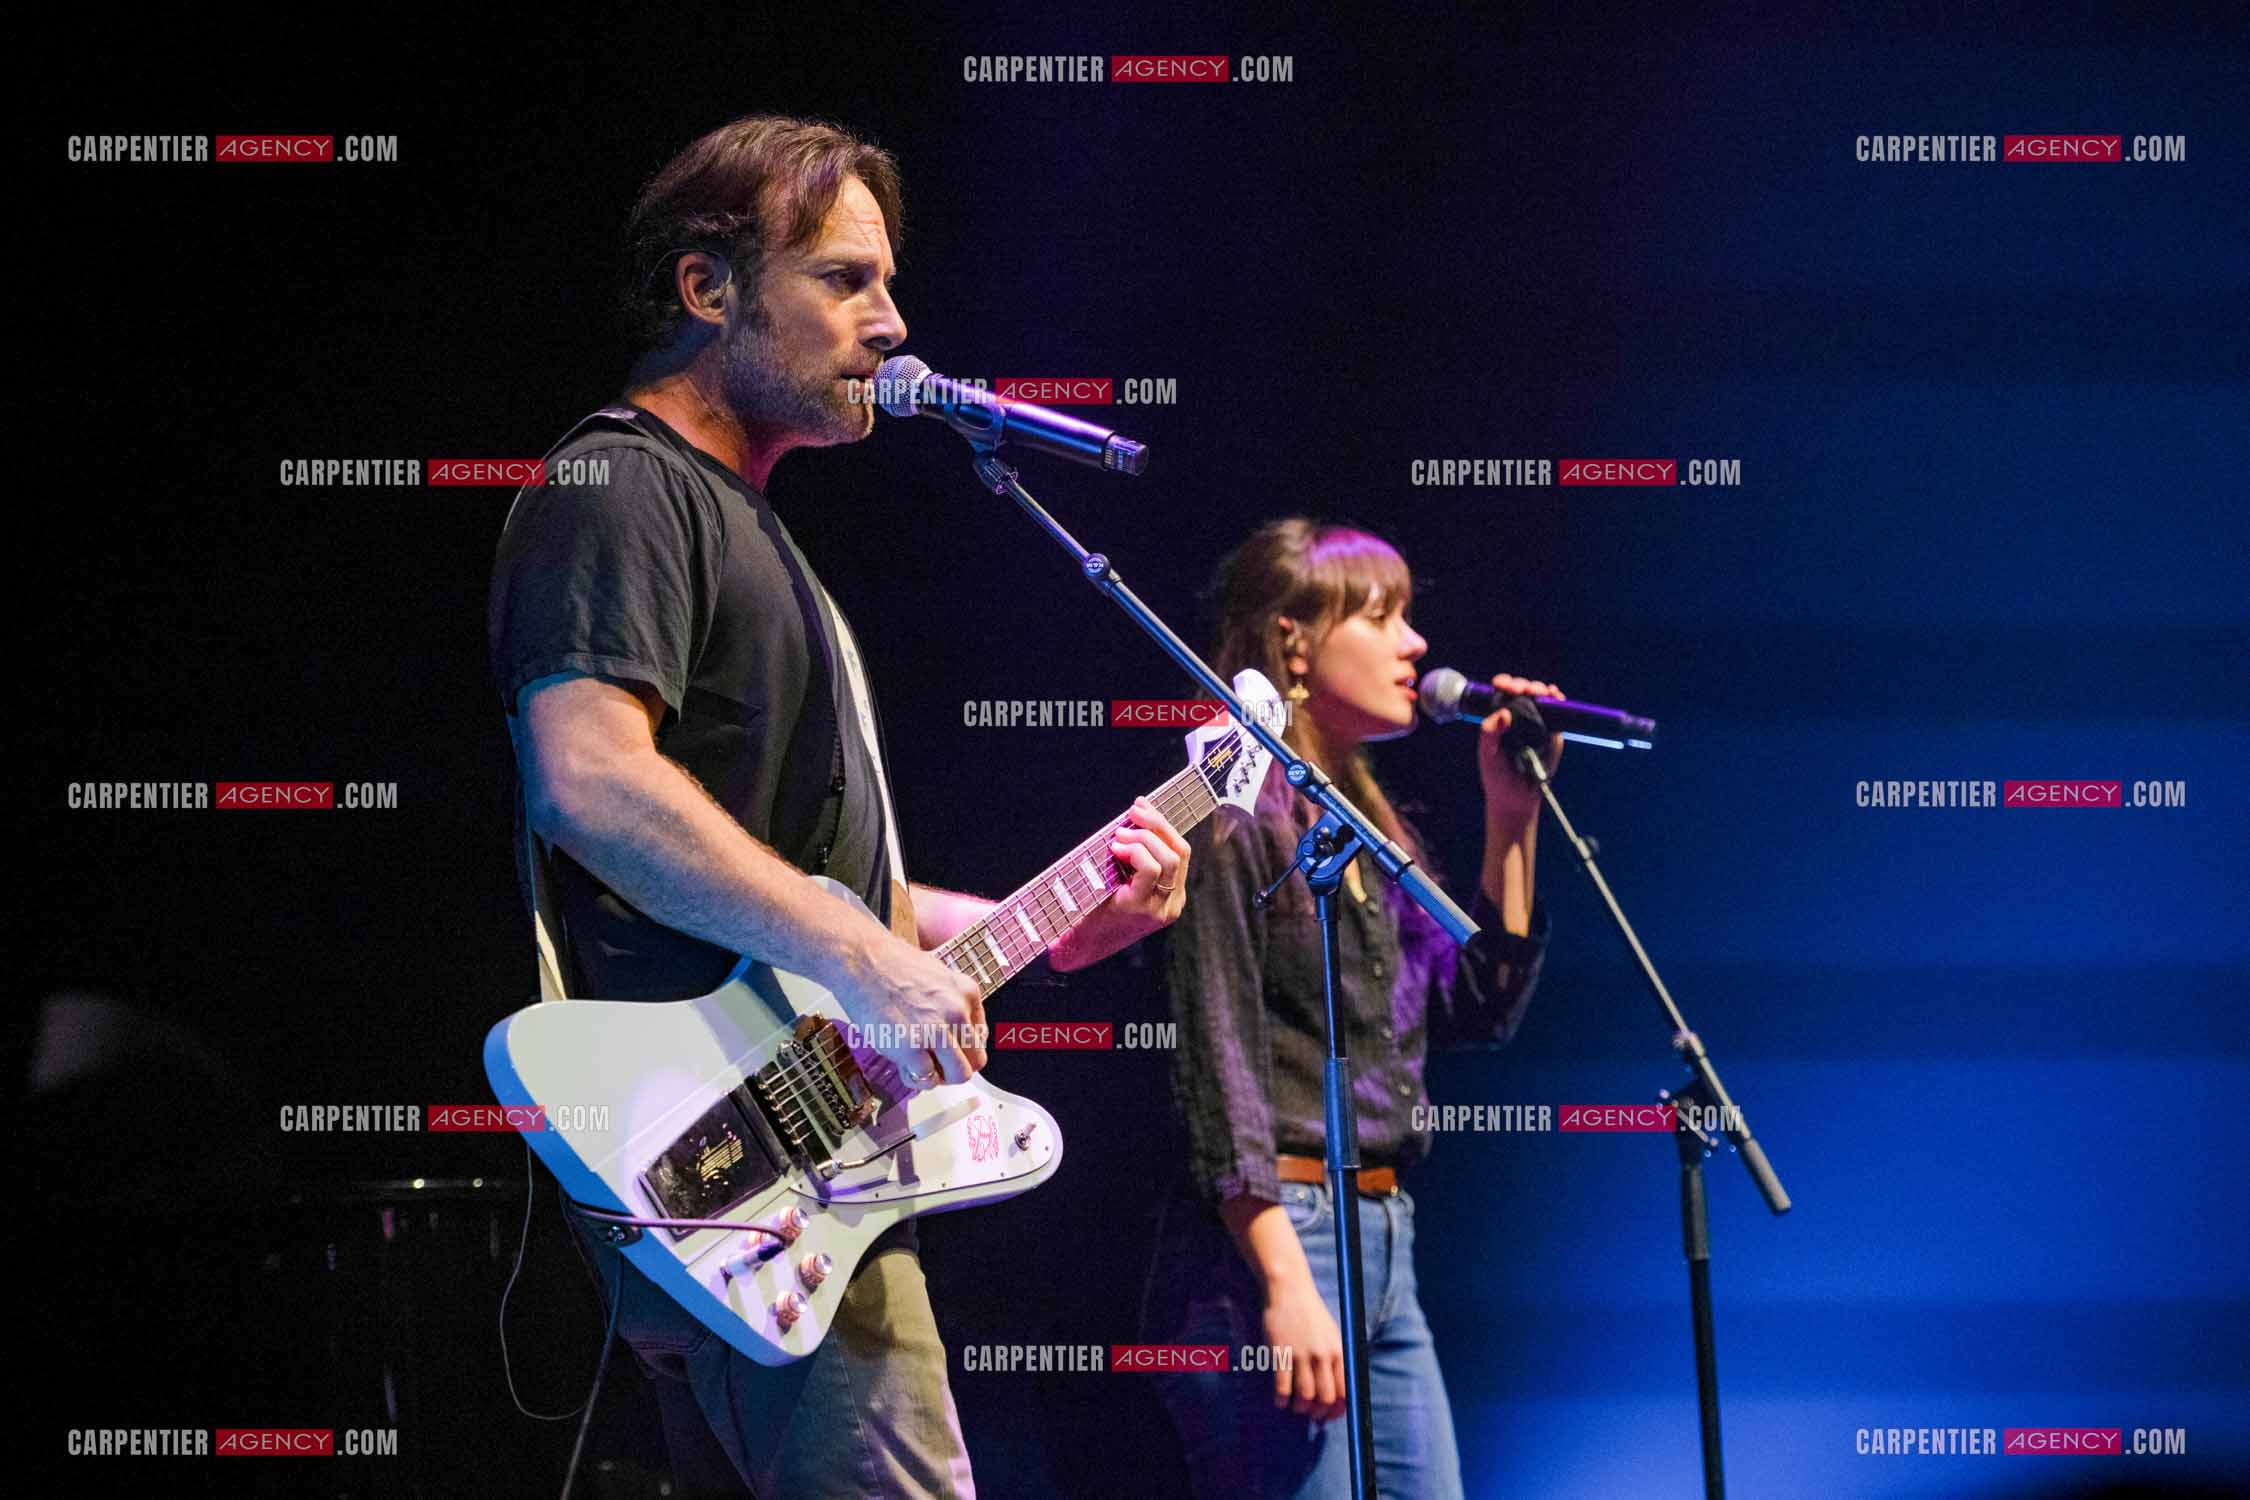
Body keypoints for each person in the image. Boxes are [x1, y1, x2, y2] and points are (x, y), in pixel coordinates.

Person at [488, 114, 1189, 1499]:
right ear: (708, 290)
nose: (892, 318)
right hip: (736, 1149)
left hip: (793, 1163)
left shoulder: (758, 530)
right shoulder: (620, 486)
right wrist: (867, 959)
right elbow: (589, 779)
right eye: (844, 280)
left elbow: (799, 873)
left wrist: (1017, 921)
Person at [1140, 518, 1560, 1499]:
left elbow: (1475, 1006)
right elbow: (1219, 1061)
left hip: (1383, 1238)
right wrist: (1287, 1281)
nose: (1417, 645)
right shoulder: (1232, 811)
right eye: (1384, 616)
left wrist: (1512, 815)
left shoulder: (1364, 828)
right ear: (1294, 640)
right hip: (1274, 1240)